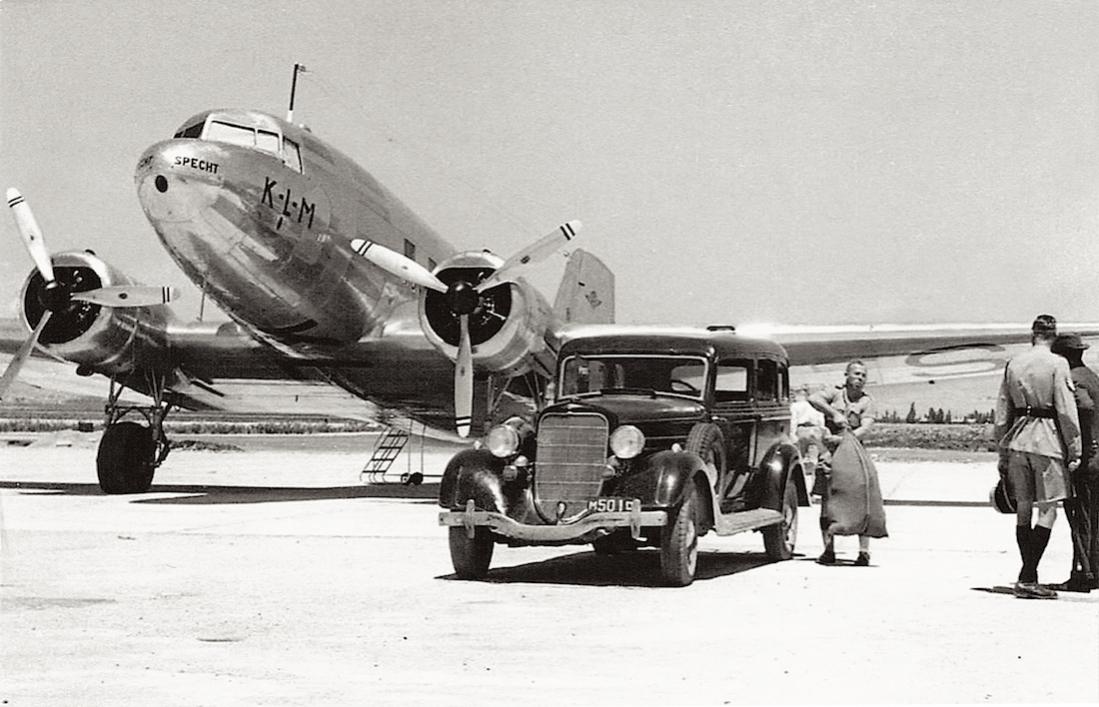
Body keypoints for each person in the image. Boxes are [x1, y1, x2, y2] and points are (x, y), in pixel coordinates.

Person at [994, 315, 1082, 599]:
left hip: (1017, 441)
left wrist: (1002, 449)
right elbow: (1066, 409)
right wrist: (1075, 448)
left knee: (1022, 509)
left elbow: (1002, 410)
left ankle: (1027, 575)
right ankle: (1028, 576)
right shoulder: (1058, 364)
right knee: (1048, 509)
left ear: (1032, 334)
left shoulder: (1014, 363)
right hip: (1046, 442)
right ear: (1053, 336)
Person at [809, 360, 888, 566]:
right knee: (827, 502)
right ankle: (828, 549)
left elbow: (866, 426)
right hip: (830, 453)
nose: (860, 378)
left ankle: (864, 552)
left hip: (854, 452)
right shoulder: (834, 393)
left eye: (863, 375)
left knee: (864, 498)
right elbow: (813, 398)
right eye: (856, 374)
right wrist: (833, 413)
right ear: (846, 375)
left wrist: (846, 439)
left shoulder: (867, 401)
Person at [1049, 332, 1099, 591]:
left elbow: (1085, 409)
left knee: (1080, 517)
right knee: (1094, 516)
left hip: (1086, 461)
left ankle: (1082, 574)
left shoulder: (1074, 380)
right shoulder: (1092, 376)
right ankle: (1094, 570)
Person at [790, 383, 826, 490]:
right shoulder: (815, 405)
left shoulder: (795, 406)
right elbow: (821, 420)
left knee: (799, 461)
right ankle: (813, 488)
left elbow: (793, 421)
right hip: (815, 431)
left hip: (801, 431)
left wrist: (792, 435)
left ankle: (803, 487)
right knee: (814, 461)